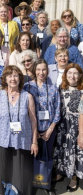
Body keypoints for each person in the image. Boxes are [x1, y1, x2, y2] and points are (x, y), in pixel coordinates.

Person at [0, 65, 38, 195]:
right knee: (2, 172)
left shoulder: (27, 96)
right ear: (5, 79)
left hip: (22, 140)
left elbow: (33, 120)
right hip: (1, 139)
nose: (13, 78)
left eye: (16, 75)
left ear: (20, 78)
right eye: (10, 75)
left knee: (21, 174)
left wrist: (34, 142)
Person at [23, 59, 60, 195]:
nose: (41, 72)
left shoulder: (53, 88)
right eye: (38, 69)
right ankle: (31, 184)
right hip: (32, 130)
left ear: (47, 71)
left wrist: (50, 129)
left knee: (47, 157)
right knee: (31, 157)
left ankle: (46, 185)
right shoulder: (27, 87)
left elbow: (57, 110)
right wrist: (34, 132)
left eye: (44, 69)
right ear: (34, 71)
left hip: (48, 129)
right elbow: (24, 110)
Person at [53, 64, 83, 192]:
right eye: (69, 73)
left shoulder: (82, 91)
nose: (72, 76)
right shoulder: (61, 88)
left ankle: (74, 178)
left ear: (80, 76)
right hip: (62, 125)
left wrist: (81, 132)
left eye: (75, 73)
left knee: (74, 152)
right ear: (65, 75)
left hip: (76, 127)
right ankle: (61, 173)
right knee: (62, 150)